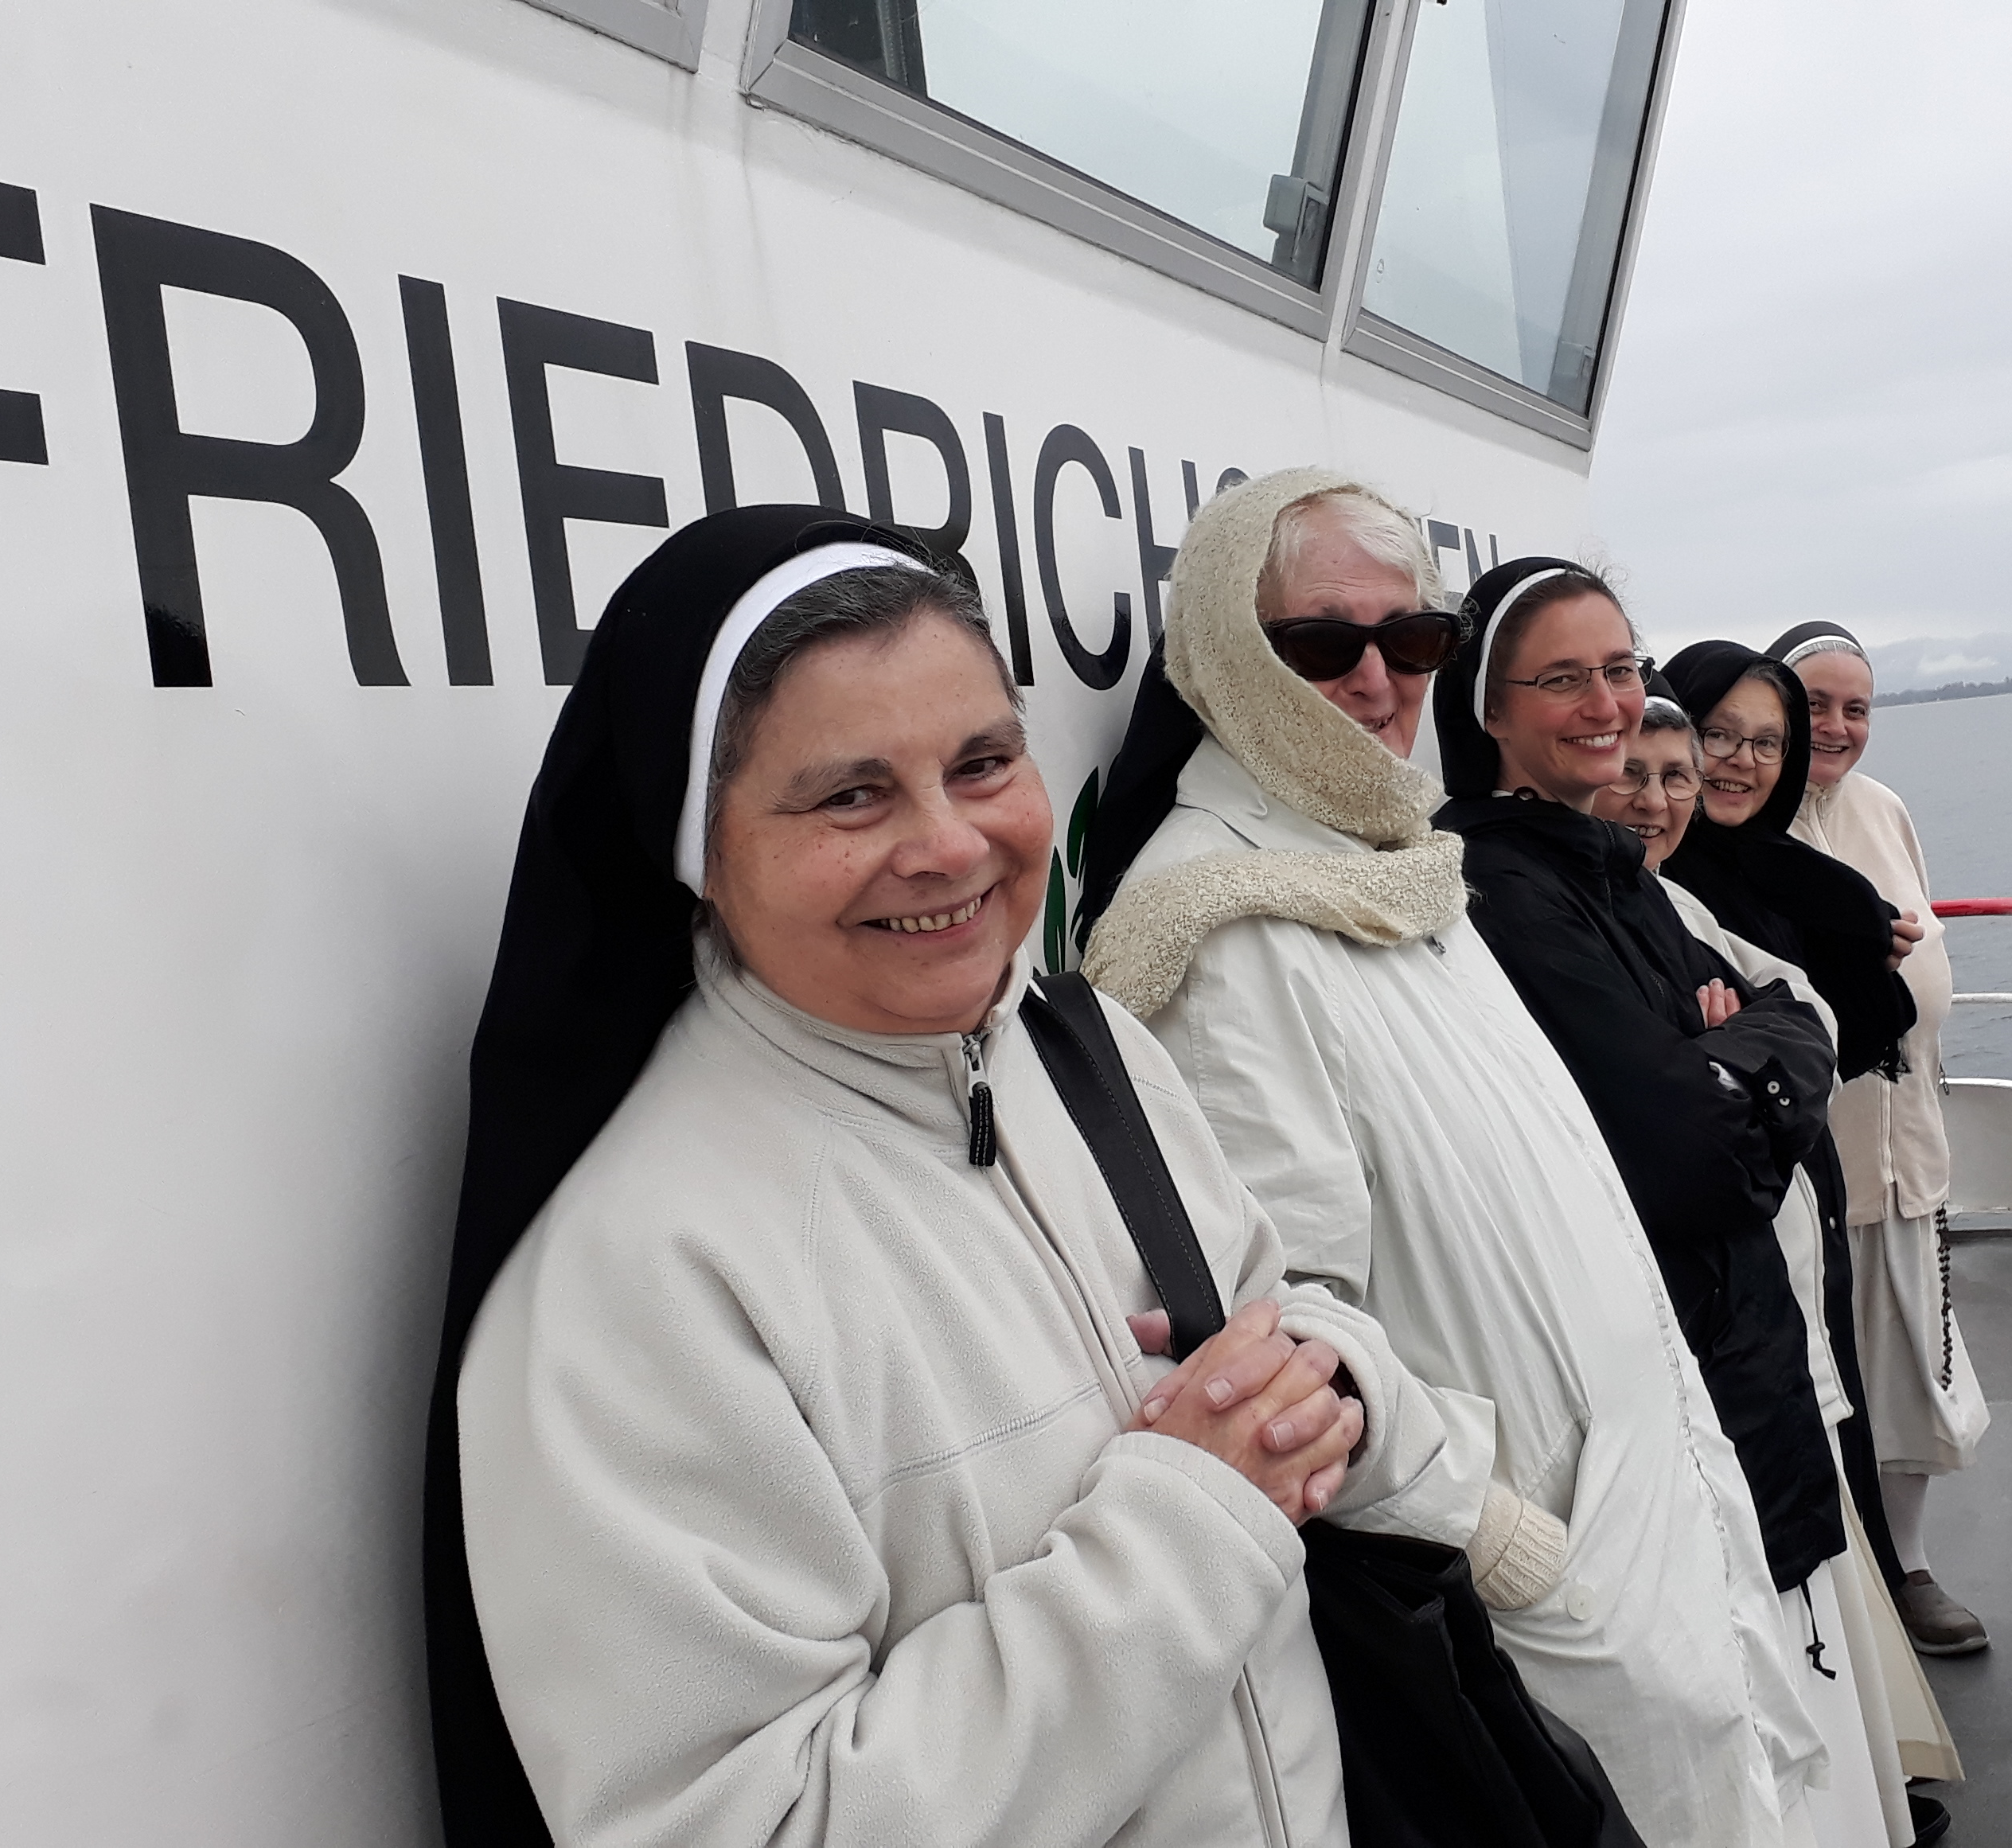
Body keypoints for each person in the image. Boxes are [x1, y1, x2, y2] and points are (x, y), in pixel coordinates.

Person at [426, 509, 1476, 1848]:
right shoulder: (642, 1277)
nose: (949, 844)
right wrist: (1198, 1521)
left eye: (982, 763)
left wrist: (1330, 1383)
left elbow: (1278, 1317)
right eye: (849, 795)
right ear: (700, 850)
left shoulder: (1083, 1051)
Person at [1074, 474, 1815, 1847]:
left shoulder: (1400, 863)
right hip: (1536, 1587)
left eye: (1411, 639)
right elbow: (1277, 1331)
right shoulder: (1220, 931)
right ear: (1231, 655)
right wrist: (1505, 1538)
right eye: (1321, 644)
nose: (1376, 681)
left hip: (1647, 1515)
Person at [1429, 563, 1948, 1847]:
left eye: (1619, 668)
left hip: (1741, 1343)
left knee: (1799, 1685)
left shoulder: (1607, 867)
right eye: (1562, 677)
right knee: (1756, 1703)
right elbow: (1694, 1155)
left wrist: (1741, 1049)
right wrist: (1749, 1063)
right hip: (1691, 1356)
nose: (1607, 704)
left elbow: (1793, 1016)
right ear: (1488, 706)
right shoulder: (1504, 890)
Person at [1658, 643, 1919, 1598]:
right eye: (1718, 735)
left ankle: (1874, 1595)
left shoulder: (1797, 878)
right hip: (1727, 1203)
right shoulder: (1654, 876)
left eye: (1769, 742)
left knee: (1832, 1390)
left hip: (1806, 1173)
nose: (1742, 762)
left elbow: (1837, 1026)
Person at [1768, 622, 1991, 1657]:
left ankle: (1910, 1566)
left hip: (1911, 1156)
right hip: (1811, 1171)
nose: (1837, 726)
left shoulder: (1884, 809)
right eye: (1814, 703)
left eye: (1856, 707)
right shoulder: (1745, 824)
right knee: (1821, 1381)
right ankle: (1837, 1585)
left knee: (1909, 1373)